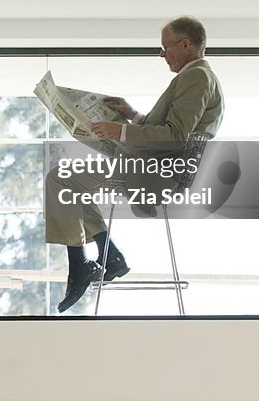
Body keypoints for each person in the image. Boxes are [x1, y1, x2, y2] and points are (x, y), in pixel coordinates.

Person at [45, 16, 225, 313]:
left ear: (185, 45)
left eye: (165, 47)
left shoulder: (197, 77)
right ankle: (105, 257)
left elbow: (176, 137)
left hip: (157, 177)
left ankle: (88, 263)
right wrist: (132, 115)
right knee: (67, 184)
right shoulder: (197, 78)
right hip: (155, 171)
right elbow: (172, 129)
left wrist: (122, 131)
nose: (162, 54)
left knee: (61, 181)